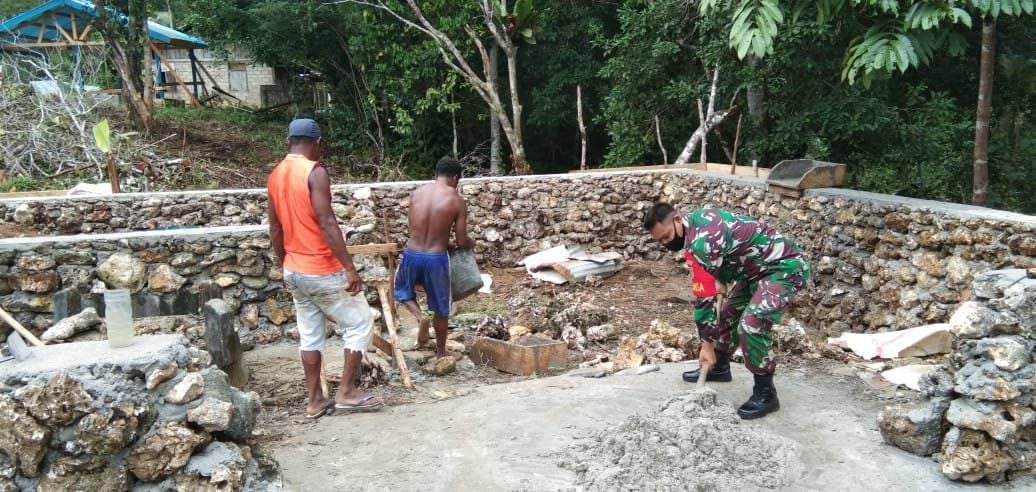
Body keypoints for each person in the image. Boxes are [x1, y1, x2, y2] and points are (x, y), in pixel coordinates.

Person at [644, 203, 811, 419]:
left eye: (666, 237)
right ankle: (720, 367)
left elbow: (704, 300)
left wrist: (706, 346)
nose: (665, 244)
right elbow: (728, 245)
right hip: (754, 270)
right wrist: (720, 279)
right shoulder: (696, 221)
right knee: (728, 314)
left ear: (677, 219)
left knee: (752, 325)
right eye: (659, 241)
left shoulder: (701, 242)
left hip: (783, 268)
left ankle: (766, 393)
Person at [267, 118, 382, 418]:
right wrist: (349, 267)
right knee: (360, 323)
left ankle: (315, 400)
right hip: (321, 267)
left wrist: (285, 264)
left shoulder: (275, 175)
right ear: (317, 142)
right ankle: (346, 392)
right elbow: (327, 222)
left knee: (310, 334)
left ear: (289, 141)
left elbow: (275, 229)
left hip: (295, 268)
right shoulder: (314, 172)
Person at [394, 157, 475, 359]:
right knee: (441, 307)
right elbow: (462, 238)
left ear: (435, 174)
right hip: (436, 258)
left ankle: (420, 317)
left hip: (411, 253)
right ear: (455, 178)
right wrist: (470, 244)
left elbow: (414, 227)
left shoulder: (417, 193)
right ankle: (440, 352)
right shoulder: (456, 200)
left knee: (402, 290)